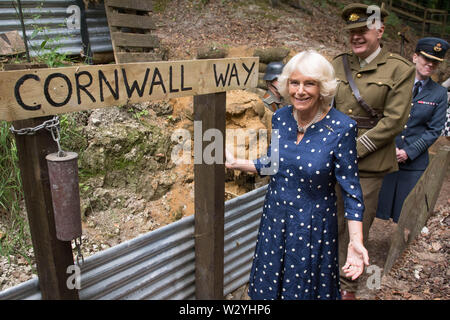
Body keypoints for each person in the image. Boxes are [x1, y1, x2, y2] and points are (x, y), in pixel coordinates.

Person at [225, 50, 369, 300]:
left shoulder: (342, 127)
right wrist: (236, 162)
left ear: (322, 87)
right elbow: (272, 163)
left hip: (312, 228)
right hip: (275, 220)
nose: (300, 91)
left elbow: (352, 192)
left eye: (309, 83)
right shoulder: (280, 118)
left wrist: (355, 242)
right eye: (295, 82)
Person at [331, 3, 416, 300]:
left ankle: (347, 290)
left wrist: (352, 150)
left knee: (354, 228)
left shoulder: (401, 69)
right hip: (331, 159)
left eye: (362, 31)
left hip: (367, 164)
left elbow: (394, 122)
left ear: (379, 30)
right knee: (328, 221)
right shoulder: (337, 64)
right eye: (351, 32)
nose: (356, 37)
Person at [376, 38, 449, 223]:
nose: (430, 64)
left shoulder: (439, 93)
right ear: (415, 57)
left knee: (406, 214)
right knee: (373, 206)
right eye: (426, 59)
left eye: (435, 62)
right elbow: (379, 116)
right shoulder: (394, 82)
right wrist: (388, 146)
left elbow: (434, 130)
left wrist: (409, 152)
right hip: (384, 154)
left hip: (413, 162)